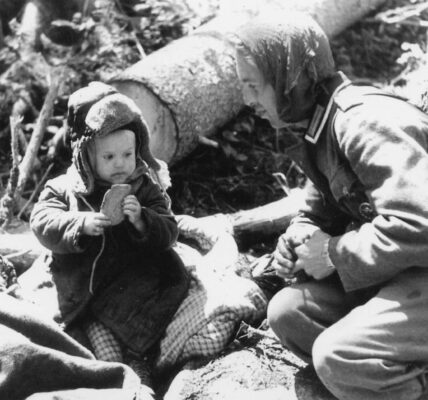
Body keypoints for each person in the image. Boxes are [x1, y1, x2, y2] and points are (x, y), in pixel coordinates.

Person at [234, 11, 428, 400]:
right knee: (289, 313)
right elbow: (319, 208)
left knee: (337, 356)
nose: (247, 99)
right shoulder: (318, 128)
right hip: (405, 270)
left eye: (254, 85)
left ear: (292, 80)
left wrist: (335, 254)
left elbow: (418, 222)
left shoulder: (364, 122)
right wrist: (300, 236)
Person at [30, 82, 190, 396]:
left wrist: (144, 220)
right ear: (85, 156)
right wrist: (78, 223)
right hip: (81, 278)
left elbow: (169, 229)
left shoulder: (144, 187)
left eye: (127, 154)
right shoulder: (63, 189)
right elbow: (41, 221)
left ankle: (140, 368)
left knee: (140, 324)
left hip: (132, 278)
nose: (120, 163)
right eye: (109, 156)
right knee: (78, 334)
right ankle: (102, 377)